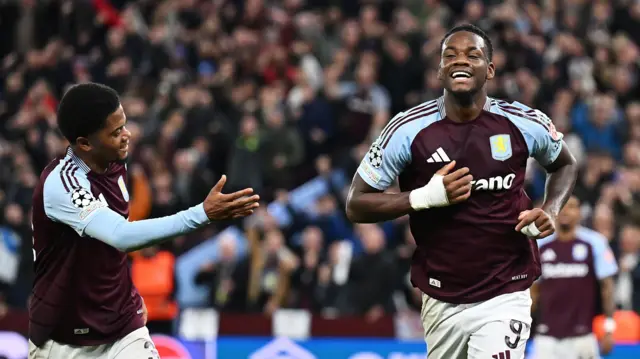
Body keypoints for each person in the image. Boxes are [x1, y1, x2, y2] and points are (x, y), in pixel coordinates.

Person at [345, 24, 578, 359]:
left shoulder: (523, 122)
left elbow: (565, 163)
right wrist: (423, 197)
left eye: (473, 54)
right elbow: (356, 203)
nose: (460, 61)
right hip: (442, 295)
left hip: (506, 287)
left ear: (491, 69)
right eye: (450, 55)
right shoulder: (407, 129)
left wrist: (550, 209)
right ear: (439, 71)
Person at [28, 83, 260, 358]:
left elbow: (104, 250)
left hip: (123, 327)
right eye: (116, 132)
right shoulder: (63, 184)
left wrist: (127, 293)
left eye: (125, 125)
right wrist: (202, 214)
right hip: (64, 339)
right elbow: (120, 235)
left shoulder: (115, 163)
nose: (127, 135)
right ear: (85, 143)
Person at [532, 196, 618, 359]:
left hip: (583, 336)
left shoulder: (595, 243)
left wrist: (609, 329)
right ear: (554, 212)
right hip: (546, 337)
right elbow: (532, 291)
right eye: (561, 206)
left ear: (580, 213)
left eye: (571, 206)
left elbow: (607, 288)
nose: (565, 211)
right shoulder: (540, 245)